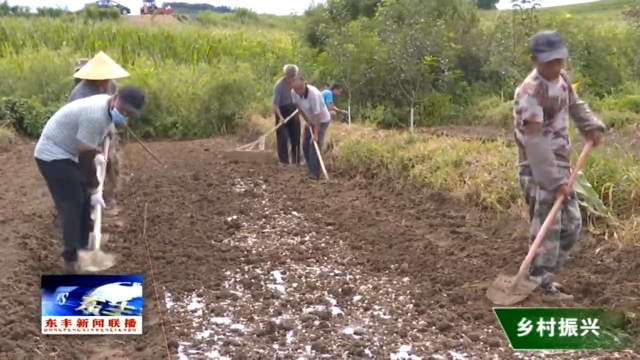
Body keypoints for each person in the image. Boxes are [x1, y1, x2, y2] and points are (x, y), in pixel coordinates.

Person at [513, 30, 605, 300]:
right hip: (538, 169)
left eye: (559, 61)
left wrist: (590, 125)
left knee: (572, 226)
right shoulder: (530, 92)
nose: (555, 67)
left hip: (561, 167)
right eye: (548, 62)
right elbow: (534, 140)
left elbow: (575, 106)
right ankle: (539, 284)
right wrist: (553, 182)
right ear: (534, 60)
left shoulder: (562, 80)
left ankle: (543, 278)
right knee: (548, 230)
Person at [34, 86, 146, 273]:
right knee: (72, 203)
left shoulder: (107, 106)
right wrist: (94, 186)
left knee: (83, 200)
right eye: (123, 109)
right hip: (53, 155)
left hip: (69, 153)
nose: (124, 114)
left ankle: (84, 247)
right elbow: (84, 153)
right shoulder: (96, 115)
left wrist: (106, 135)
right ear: (115, 98)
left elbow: (100, 133)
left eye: (129, 113)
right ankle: (72, 259)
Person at [70, 51, 129, 212]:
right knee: (89, 164)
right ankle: (87, 199)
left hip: (106, 126)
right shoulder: (79, 94)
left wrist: (117, 120)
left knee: (110, 160)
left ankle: (110, 196)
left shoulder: (111, 84)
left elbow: (113, 104)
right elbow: (81, 124)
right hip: (85, 132)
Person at [290, 74, 332, 180]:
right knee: (305, 145)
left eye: (300, 89)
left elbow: (317, 115)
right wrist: (307, 120)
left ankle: (315, 173)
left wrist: (316, 134)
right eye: (296, 89)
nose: (299, 92)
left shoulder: (314, 94)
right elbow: (298, 107)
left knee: (314, 145)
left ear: (305, 84)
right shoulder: (294, 92)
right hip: (310, 120)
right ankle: (310, 170)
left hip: (321, 121)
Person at [272, 64, 301, 165]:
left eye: (294, 76)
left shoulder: (297, 83)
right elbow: (275, 105)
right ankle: (284, 161)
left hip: (294, 110)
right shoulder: (279, 86)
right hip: (282, 112)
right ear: (286, 75)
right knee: (283, 138)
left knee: (296, 137)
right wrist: (280, 118)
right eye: (290, 76)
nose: (292, 78)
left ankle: (296, 161)